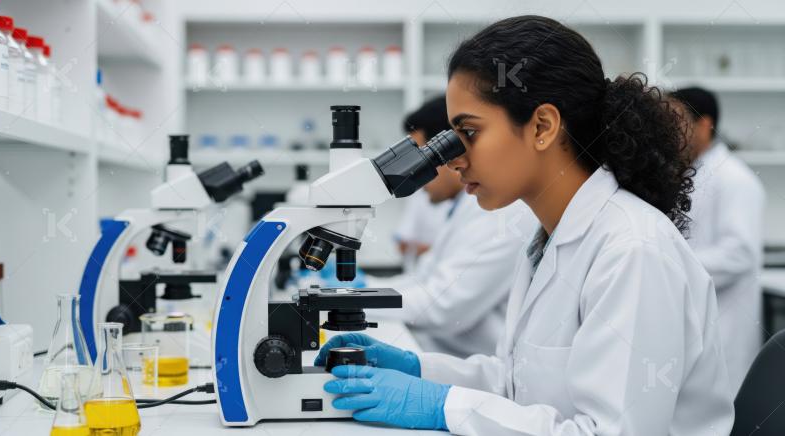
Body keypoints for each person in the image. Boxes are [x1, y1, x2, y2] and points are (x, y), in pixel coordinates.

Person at [314, 16, 734, 435]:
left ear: (542, 127)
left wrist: (444, 406)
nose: (453, 159)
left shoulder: (633, 250)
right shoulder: (548, 238)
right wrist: (418, 368)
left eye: (469, 132)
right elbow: (517, 383)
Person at [367, 96, 537, 357]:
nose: (415, 173)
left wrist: (354, 300)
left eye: (422, 157)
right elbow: (422, 281)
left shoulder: (504, 212)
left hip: (476, 366)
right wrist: (357, 290)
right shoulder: (463, 207)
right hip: (454, 359)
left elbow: (443, 305)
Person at [671, 87, 766, 395]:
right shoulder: (692, 173)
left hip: (726, 325)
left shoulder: (736, 179)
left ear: (704, 124)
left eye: (678, 120)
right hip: (697, 321)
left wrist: (673, 264)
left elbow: (739, 254)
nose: (672, 130)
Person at [393, 97, 456, 271]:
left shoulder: (485, 211)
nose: (414, 171)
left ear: (449, 147)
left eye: (421, 158)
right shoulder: (456, 206)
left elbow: (445, 293)